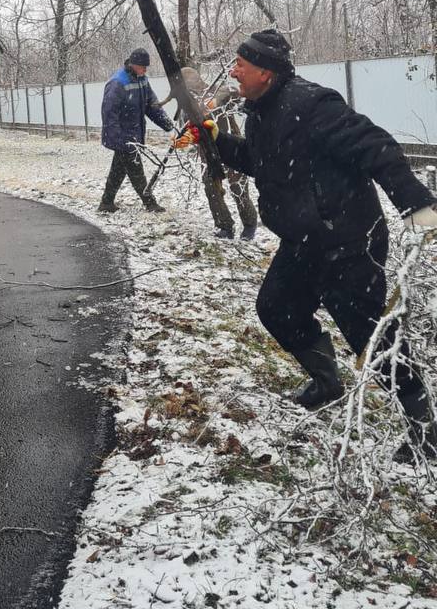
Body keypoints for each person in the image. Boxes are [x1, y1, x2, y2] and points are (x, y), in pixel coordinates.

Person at [175, 28, 437, 456]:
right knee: (276, 308)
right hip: (303, 241)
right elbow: (263, 164)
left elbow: (375, 145)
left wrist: (415, 201)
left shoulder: (313, 104)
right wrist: (216, 141)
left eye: (242, 64)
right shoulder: (260, 110)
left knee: (371, 338)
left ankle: (425, 430)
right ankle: (326, 381)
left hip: (350, 242)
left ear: (265, 71)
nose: (234, 70)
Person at [180, 67, 257, 240]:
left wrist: (215, 101)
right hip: (207, 152)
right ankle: (224, 226)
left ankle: (250, 224)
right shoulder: (187, 103)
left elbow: (234, 92)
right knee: (211, 188)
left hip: (232, 145)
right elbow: (187, 127)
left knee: (238, 187)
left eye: (193, 83)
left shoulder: (216, 90)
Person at [98, 48, 174, 214]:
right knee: (136, 170)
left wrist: (169, 125)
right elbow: (109, 113)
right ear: (133, 65)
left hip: (134, 134)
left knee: (118, 170)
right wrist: (118, 140)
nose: (145, 70)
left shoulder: (142, 80)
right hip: (123, 136)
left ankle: (106, 202)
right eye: (143, 66)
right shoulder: (118, 82)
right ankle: (150, 203)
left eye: (146, 67)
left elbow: (152, 106)